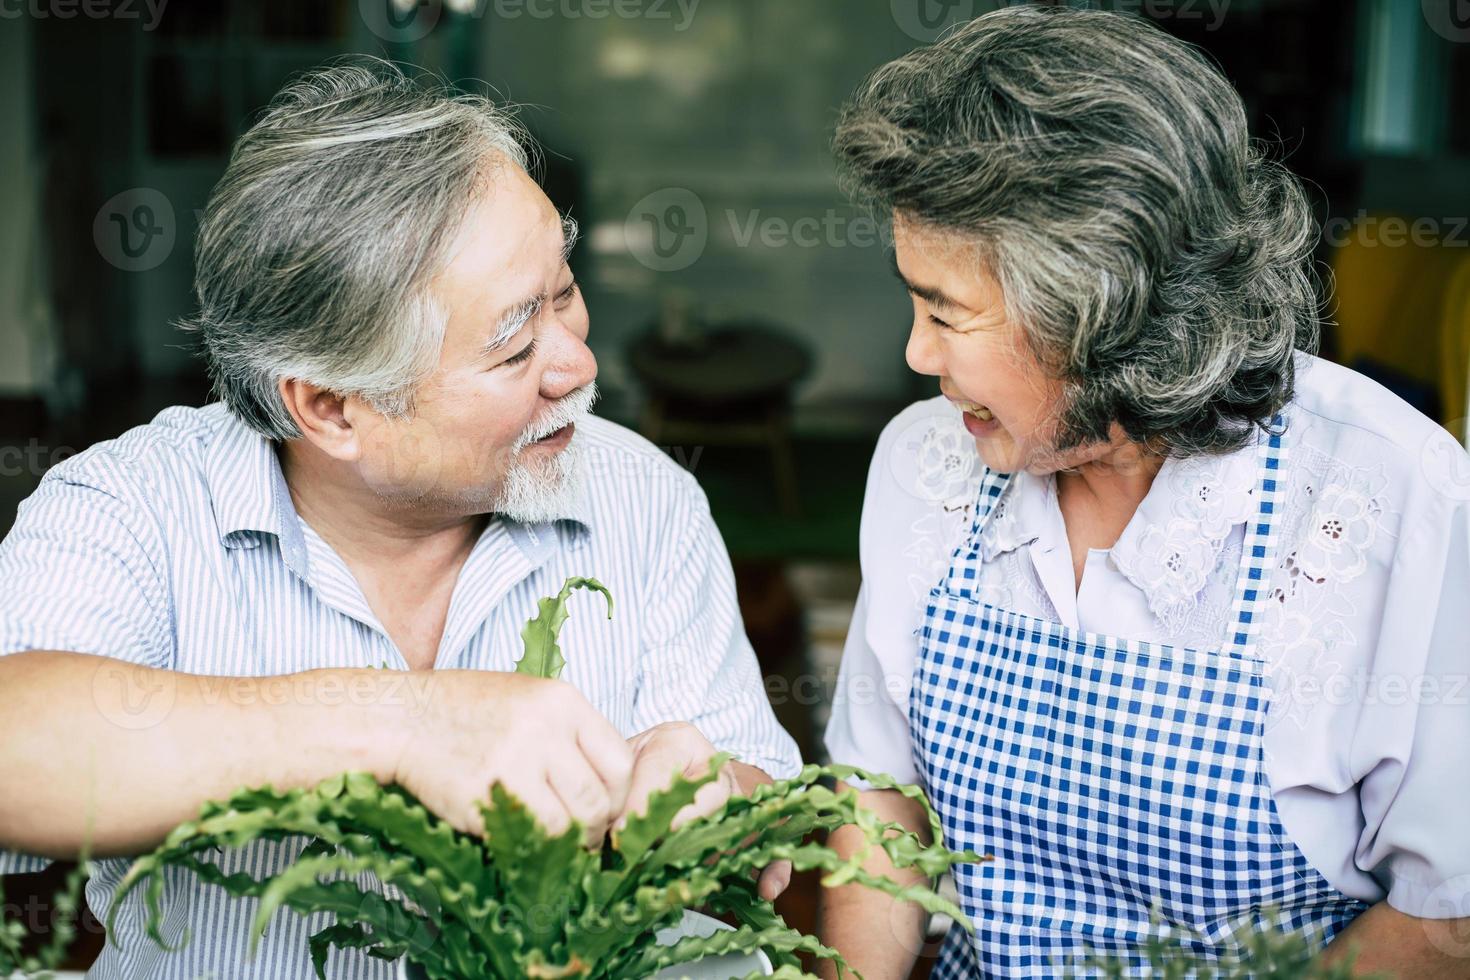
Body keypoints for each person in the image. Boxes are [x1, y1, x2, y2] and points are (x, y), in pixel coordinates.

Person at [0, 60, 799, 979]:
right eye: (513, 346)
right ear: (332, 408)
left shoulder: (645, 498)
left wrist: (718, 805)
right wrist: (399, 725)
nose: (578, 366)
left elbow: (759, 811)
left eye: (565, 290)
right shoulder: (133, 504)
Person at [819, 7, 1470, 978]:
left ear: (1100, 310)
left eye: (947, 312)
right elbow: (878, 806)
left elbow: (1444, 916)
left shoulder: (1394, 496)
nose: (915, 355)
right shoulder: (927, 460)